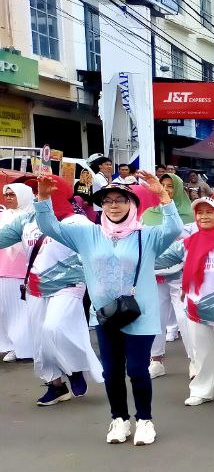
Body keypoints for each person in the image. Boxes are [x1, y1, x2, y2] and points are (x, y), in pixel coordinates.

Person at [33, 172, 181, 445]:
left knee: (137, 369)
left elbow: (173, 230)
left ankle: (145, 420)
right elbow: (49, 226)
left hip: (140, 314)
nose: (114, 205)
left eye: (120, 200)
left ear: (131, 204)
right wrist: (43, 198)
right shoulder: (87, 233)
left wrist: (163, 197)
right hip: (105, 315)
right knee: (111, 371)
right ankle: (119, 420)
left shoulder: (145, 236)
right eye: (108, 200)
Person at [0, 176, 101, 400]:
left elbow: (98, 248)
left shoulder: (77, 222)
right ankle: (55, 384)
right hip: (35, 286)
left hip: (69, 283)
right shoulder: (27, 219)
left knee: (54, 328)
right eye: (36, 191)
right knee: (39, 338)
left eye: (43, 190)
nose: (39, 194)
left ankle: (74, 369)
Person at [158, 197, 214, 407]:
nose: (204, 216)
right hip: (196, 307)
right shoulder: (188, 243)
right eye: (200, 213)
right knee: (201, 352)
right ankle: (201, 390)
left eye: (209, 212)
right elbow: (160, 258)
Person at [145, 171, 195, 379]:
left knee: (185, 318)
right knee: (154, 317)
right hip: (153, 275)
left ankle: (196, 360)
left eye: (170, 186)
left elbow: (194, 246)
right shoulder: (148, 214)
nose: (165, 190)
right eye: (161, 185)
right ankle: (156, 360)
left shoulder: (190, 216)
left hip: (181, 276)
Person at [0, 180, 35, 362]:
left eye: (12, 194)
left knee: (20, 312)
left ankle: (22, 347)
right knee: (4, 311)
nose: (8, 198)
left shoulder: (31, 217)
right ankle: (6, 345)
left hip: (22, 271)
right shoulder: (3, 215)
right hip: (2, 269)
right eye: (6, 195)